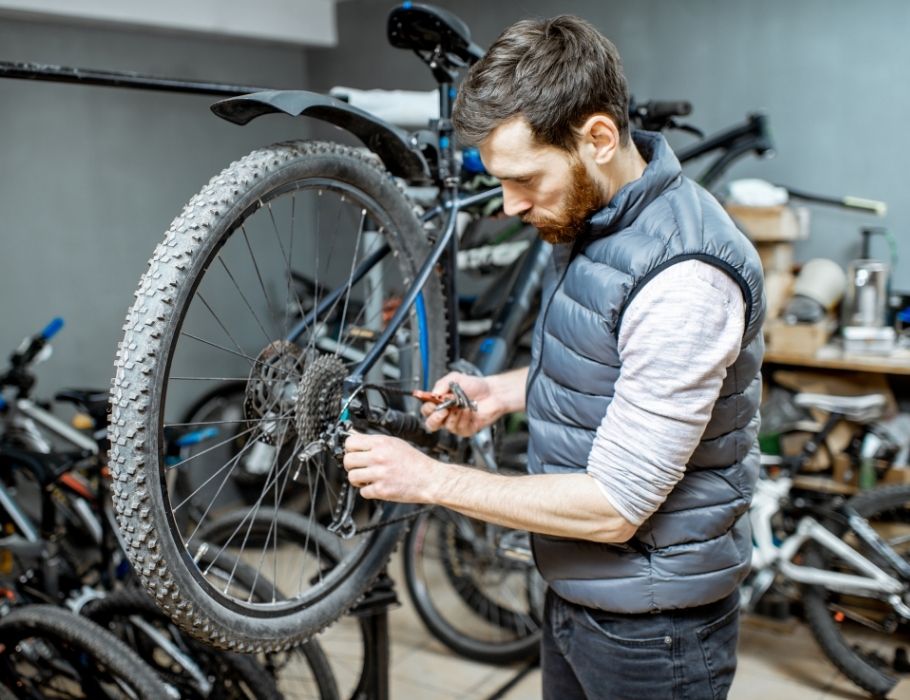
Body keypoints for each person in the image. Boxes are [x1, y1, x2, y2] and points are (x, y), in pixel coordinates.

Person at [343, 14, 765, 700]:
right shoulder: (599, 213)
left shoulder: (686, 278)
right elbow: (609, 364)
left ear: (597, 136)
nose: (509, 205)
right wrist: (506, 393)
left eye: (524, 179)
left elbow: (615, 506)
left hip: (651, 634)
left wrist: (426, 481)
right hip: (580, 594)